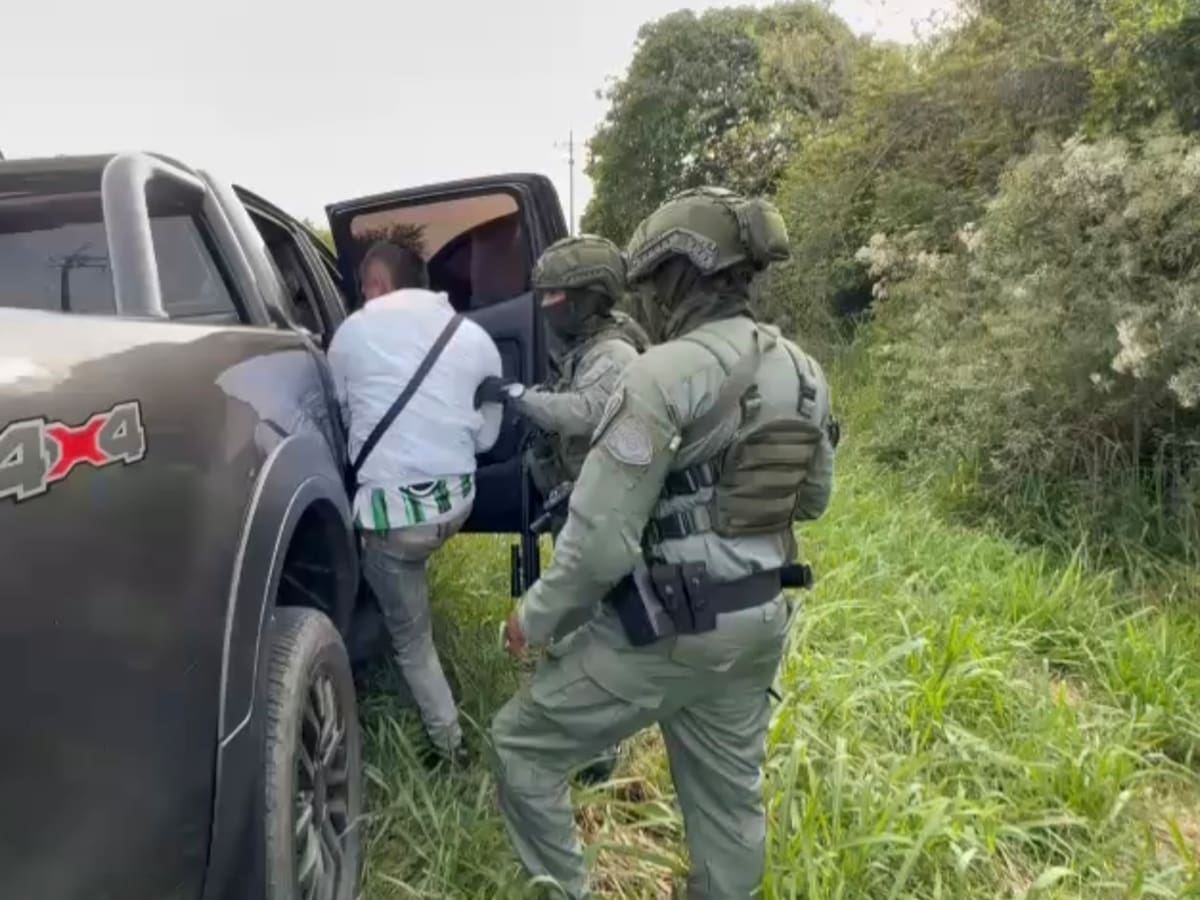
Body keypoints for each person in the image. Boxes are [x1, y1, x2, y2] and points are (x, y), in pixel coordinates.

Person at [489, 187, 840, 899]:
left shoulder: (659, 374)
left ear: (677, 277)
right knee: (729, 806)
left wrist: (534, 618)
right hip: (760, 625)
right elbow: (814, 500)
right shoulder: (804, 371)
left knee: (520, 745)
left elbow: (597, 549)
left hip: (667, 632)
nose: (642, 299)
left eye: (649, 282)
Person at [476, 234, 650, 786]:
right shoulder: (586, 349)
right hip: (578, 500)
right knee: (587, 625)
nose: (547, 308)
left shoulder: (614, 353)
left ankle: (601, 753)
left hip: (602, 507)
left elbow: (582, 413)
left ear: (588, 298)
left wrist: (516, 395)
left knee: (596, 630)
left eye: (557, 298)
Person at [329, 239, 503, 769]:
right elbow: (488, 441)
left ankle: (450, 748)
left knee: (411, 640)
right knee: (411, 555)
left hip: (393, 523)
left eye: (364, 289)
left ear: (376, 285)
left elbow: (344, 422)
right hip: (456, 507)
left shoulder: (347, 337)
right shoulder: (475, 338)